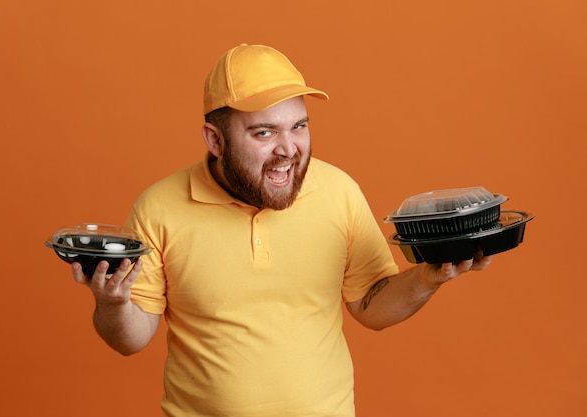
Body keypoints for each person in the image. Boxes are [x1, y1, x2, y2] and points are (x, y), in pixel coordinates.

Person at [72, 44, 492, 417]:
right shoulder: (159, 207)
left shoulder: (338, 191)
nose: (288, 149)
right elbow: (131, 339)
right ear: (215, 140)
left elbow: (370, 305)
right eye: (264, 131)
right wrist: (111, 303)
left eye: (299, 126)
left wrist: (427, 278)